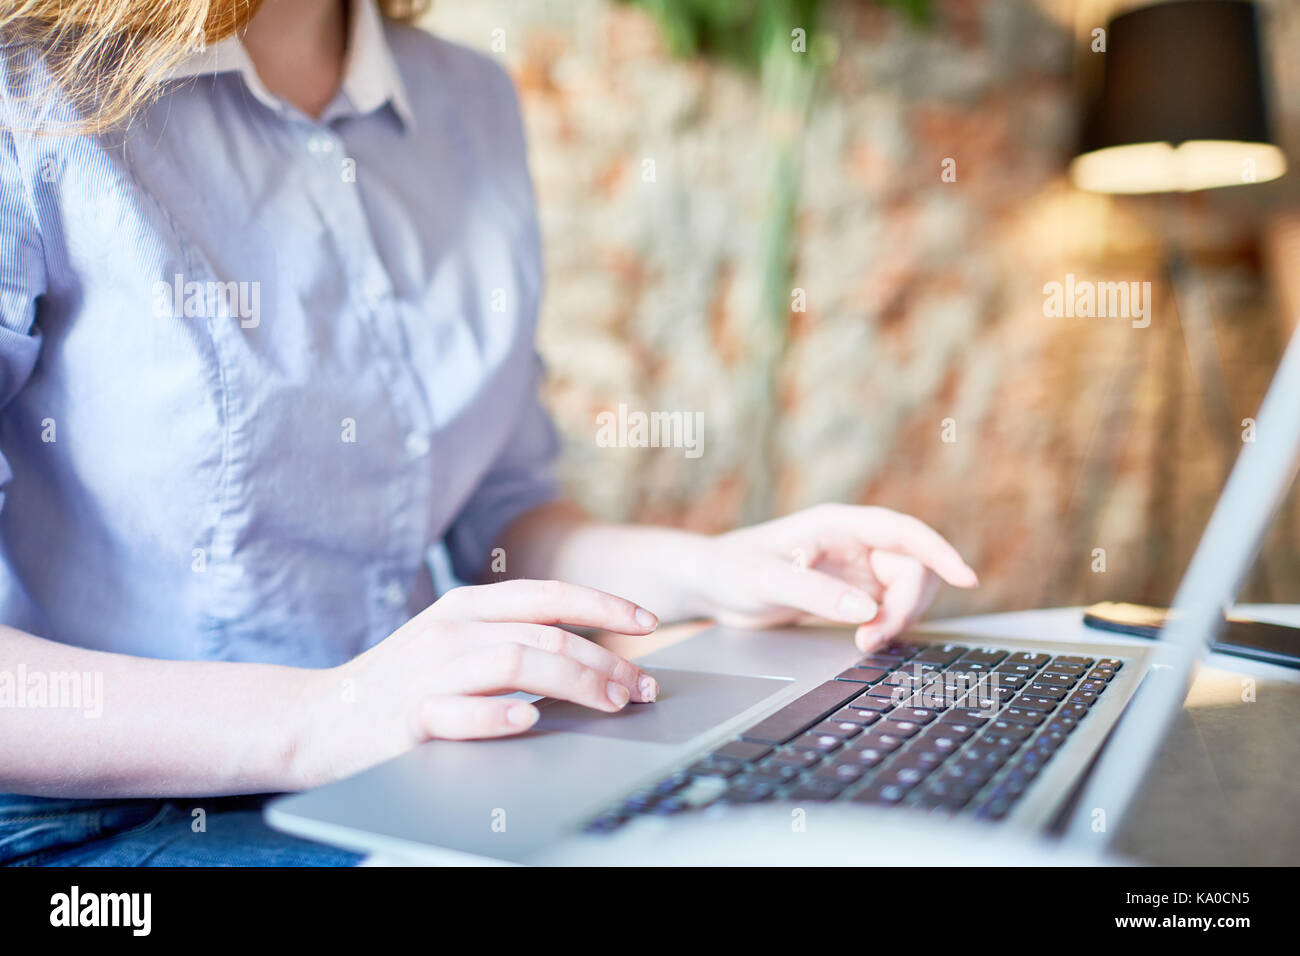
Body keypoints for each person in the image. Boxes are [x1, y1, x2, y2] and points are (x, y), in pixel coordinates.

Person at [0, 0, 977, 865]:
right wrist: (322, 716)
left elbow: (503, 523)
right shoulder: (29, 85)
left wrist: (717, 568)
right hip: (103, 820)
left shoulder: (468, 101)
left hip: (420, 772)